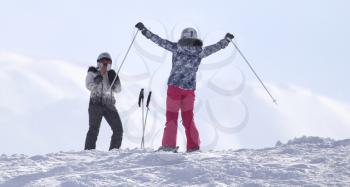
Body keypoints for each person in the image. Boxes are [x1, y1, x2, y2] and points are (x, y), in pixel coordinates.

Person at [135, 22, 234, 152]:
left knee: (172, 117)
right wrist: (226, 40)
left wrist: (144, 31)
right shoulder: (200, 52)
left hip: (174, 88)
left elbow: (158, 40)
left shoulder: (177, 48)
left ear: (183, 37)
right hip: (189, 91)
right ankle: (193, 146)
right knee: (188, 119)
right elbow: (216, 47)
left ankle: (169, 146)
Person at [84, 52, 123, 151]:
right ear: (98, 62)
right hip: (95, 103)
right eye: (103, 61)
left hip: (109, 104)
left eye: (108, 62)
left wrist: (115, 79)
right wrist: (98, 77)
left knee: (118, 129)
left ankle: (114, 151)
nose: (105, 64)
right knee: (93, 129)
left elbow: (118, 90)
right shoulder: (92, 72)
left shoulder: (111, 74)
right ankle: (89, 151)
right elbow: (89, 85)